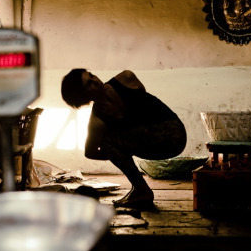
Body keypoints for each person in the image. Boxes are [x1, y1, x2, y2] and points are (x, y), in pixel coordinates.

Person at [61, 69, 187, 208]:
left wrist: (125, 148)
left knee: (109, 140)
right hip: (153, 147)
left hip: (175, 134)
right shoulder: (97, 121)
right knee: (106, 141)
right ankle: (141, 189)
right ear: (84, 96)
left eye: (91, 75)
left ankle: (140, 190)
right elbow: (89, 152)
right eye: (89, 84)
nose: (96, 81)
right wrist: (123, 153)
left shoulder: (126, 78)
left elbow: (146, 105)